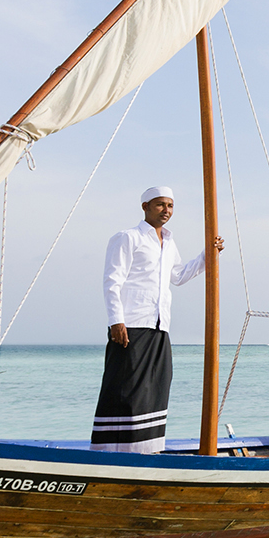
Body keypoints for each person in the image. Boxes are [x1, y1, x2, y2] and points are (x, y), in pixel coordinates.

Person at [96, 185, 219, 453]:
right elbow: (112, 281)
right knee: (125, 388)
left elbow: (179, 276)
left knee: (155, 387)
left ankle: (147, 450)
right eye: (161, 204)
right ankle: (110, 451)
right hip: (131, 324)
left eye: (171, 206)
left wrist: (208, 256)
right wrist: (116, 320)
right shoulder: (127, 238)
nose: (166, 210)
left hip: (160, 326)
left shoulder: (170, 243)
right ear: (145, 207)